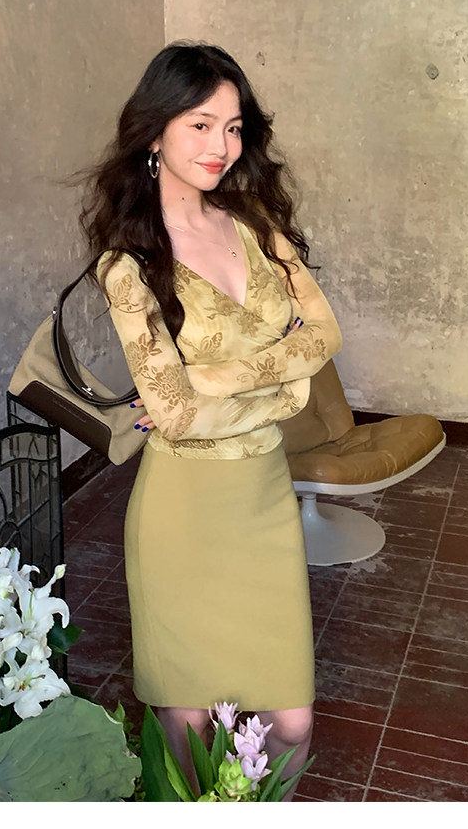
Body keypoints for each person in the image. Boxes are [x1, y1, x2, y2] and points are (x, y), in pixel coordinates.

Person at [79, 42, 342, 799]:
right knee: (187, 729)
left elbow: (326, 336)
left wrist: (214, 378)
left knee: (292, 721)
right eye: (200, 125)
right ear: (154, 131)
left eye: (232, 127)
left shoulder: (257, 223)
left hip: (264, 498)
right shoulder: (128, 263)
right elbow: (172, 414)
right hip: (183, 512)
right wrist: (283, 383)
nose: (220, 146)